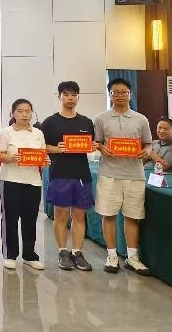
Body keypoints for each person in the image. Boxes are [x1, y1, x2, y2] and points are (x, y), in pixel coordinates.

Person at [94, 77, 152, 275]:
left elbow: (148, 144)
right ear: (110, 95)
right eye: (115, 93)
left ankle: (132, 257)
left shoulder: (141, 119)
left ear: (130, 94)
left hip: (134, 174)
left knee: (132, 216)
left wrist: (146, 151)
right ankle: (111, 256)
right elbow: (97, 142)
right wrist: (101, 148)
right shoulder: (101, 118)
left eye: (123, 92)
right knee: (108, 214)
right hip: (109, 174)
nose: (119, 96)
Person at [42, 81, 97, 271]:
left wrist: (93, 146)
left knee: (80, 215)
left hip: (82, 174)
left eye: (74, 94)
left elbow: (91, 144)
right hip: (60, 174)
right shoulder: (50, 122)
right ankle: (62, 252)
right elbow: (42, 146)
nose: (70, 98)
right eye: (66, 94)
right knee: (61, 214)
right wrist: (56, 148)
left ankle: (77, 252)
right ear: (59, 97)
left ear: (78, 97)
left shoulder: (86, 122)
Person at [0, 99, 48, 271]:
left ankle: (29, 255)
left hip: (33, 181)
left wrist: (45, 161)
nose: (24, 115)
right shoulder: (6, 132)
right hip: (10, 180)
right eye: (20, 111)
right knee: (10, 218)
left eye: (27, 111)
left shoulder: (38, 133)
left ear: (32, 113)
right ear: (13, 113)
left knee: (30, 219)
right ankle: (10, 255)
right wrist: (10, 158)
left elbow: (42, 155)